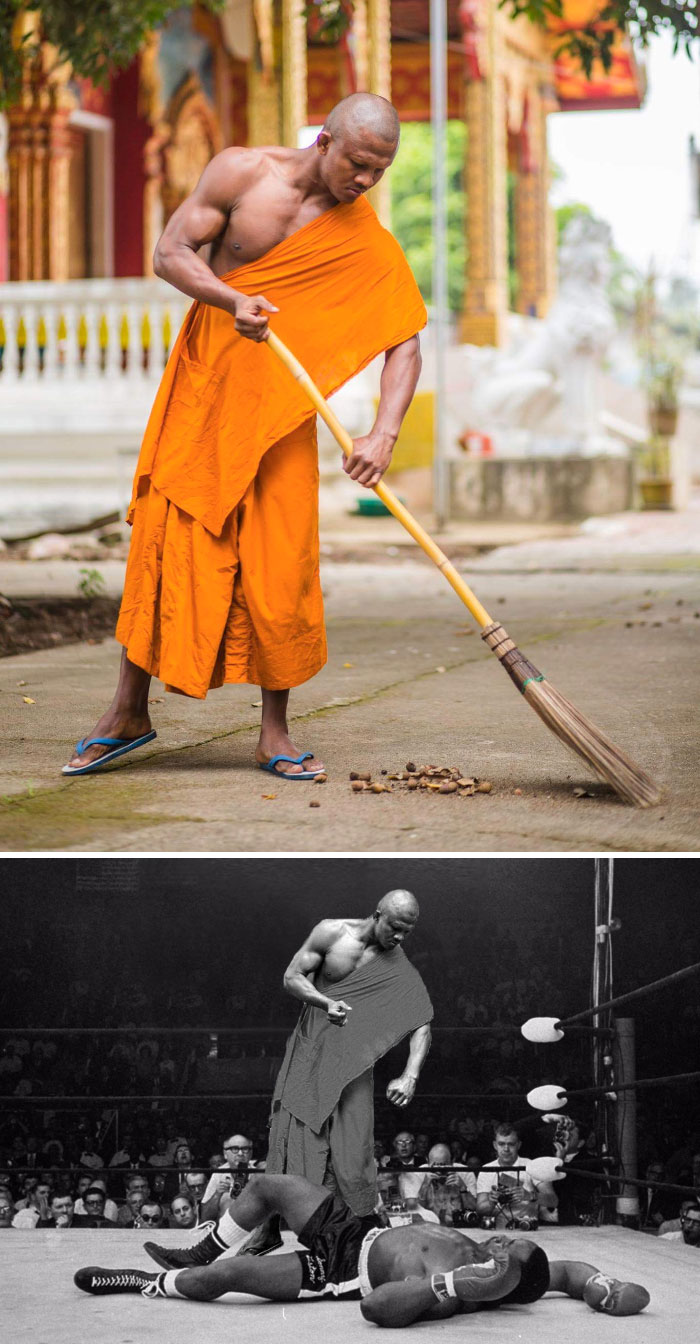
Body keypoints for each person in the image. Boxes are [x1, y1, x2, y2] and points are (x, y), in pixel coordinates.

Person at [63, 92, 426, 782]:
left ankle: (275, 734)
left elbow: (405, 341)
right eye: (358, 164)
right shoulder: (240, 171)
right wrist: (232, 299)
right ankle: (128, 713)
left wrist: (384, 432)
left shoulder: (363, 236)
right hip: (204, 394)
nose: (365, 182)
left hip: (281, 418)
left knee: (279, 562)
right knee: (166, 543)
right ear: (325, 140)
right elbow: (170, 253)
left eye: (380, 171)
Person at [73, 1171, 650, 1323]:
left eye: (506, 1248)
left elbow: (375, 1310)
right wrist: (607, 1288)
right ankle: (199, 1249)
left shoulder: (457, 1295)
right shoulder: (519, 1268)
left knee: (227, 1281)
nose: (500, 1236)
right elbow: (570, 1271)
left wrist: (451, 1285)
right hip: (357, 1226)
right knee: (271, 1185)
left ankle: (149, 1283)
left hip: (338, 1269)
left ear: (501, 1275)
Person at [247, 892, 431, 1255]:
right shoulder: (331, 933)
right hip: (310, 1053)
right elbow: (292, 977)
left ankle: (364, 1233)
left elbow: (423, 1021)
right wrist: (325, 1001)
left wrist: (410, 1073)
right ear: (377, 915)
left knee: (354, 1148)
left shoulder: (396, 963)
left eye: (407, 932)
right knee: (287, 1138)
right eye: (395, 928)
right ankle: (267, 1229)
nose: (399, 938)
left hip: (352, 1067)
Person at [476, 1125, 539, 1229]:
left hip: (527, 1228)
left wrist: (530, 1195)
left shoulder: (532, 1165)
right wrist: (491, 1201)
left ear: (519, 1145)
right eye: (501, 1144)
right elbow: (480, 1210)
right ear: (495, 1145)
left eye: (511, 1144)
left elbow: (552, 1200)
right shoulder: (486, 1169)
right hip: (496, 1230)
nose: (506, 1149)